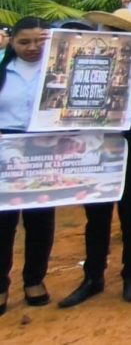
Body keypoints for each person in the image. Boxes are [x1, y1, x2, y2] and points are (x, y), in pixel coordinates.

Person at [59, 7, 131, 308]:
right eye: (112, 30)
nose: (117, 37)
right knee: (96, 216)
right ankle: (93, 277)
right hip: (94, 143)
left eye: (125, 33)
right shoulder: (87, 55)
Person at [0, 17, 54, 314]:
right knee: (3, 223)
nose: (32, 48)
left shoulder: (62, 68)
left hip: (45, 150)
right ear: (11, 41)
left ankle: (35, 280)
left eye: (40, 41)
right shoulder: (1, 70)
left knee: (41, 220)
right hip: (4, 150)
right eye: (24, 42)